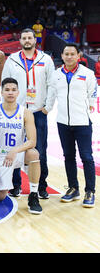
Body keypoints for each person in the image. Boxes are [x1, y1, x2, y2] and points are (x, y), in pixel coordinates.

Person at [1, 28, 55, 199]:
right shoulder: (13, 60)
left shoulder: (45, 59)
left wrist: (48, 107)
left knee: (40, 150)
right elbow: (4, 83)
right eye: (24, 38)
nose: (27, 40)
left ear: (35, 40)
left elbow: (52, 85)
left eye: (29, 37)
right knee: (15, 148)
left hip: (38, 111)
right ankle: (15, 185)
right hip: (17, 112)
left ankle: (41, 186)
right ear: (20, 40)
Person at [45, 43, 97, 207]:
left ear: (78, 56)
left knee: (87, 157)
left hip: (82, 123)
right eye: (66, 54)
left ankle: (90, 191)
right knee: (68, 157)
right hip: (63, 123)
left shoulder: (88, 74)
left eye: (72, 54)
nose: (69, 57)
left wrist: (88, 107)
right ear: (62, 55)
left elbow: (92, 93)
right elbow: (52, 94)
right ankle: (73, 188)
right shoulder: (56, 74)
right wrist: (46, 109)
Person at [0, 77, 43, 214]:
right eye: (7, 90)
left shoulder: (26, 113)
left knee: (33, 153)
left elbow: (32, 141)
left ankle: (34, 195)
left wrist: (15, 150)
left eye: (13, 90)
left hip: (19, 153)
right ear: (1, 92)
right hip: (2, 155)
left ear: (18, 92)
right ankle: (5, 179)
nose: (10, 93)